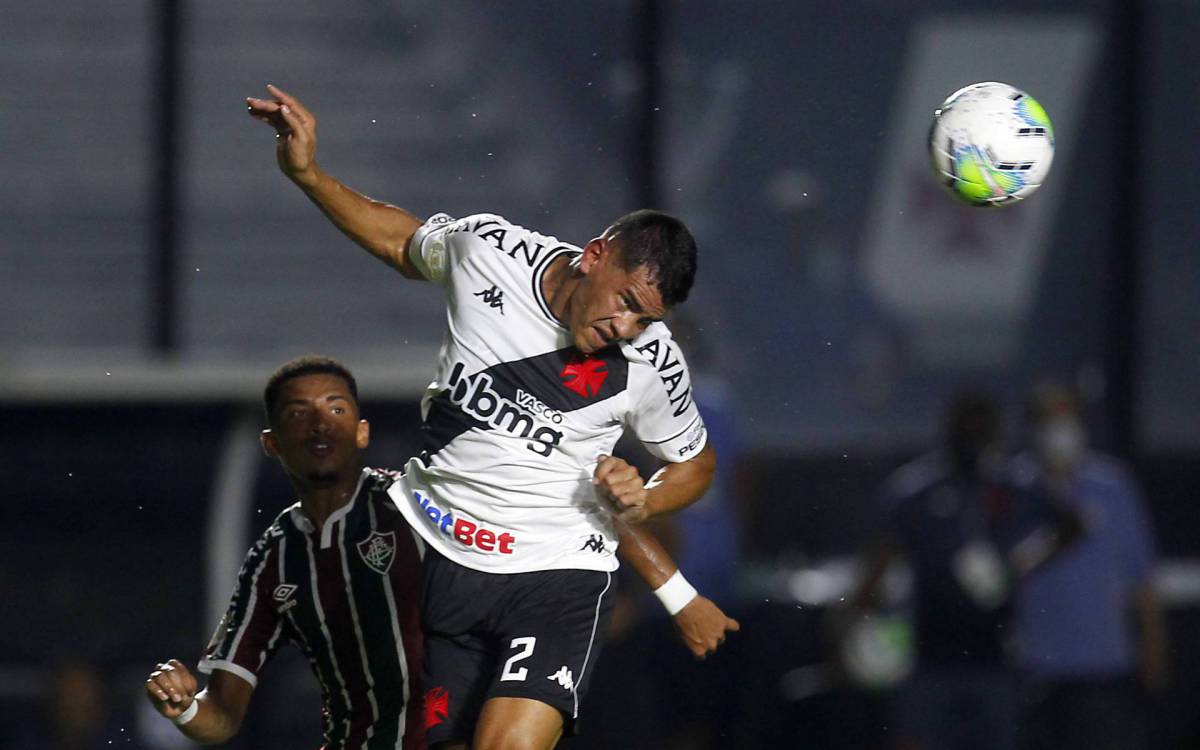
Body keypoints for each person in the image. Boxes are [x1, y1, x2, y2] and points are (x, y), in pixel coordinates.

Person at [246, 85, 737, 749]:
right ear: (594, 255)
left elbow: (695, 464)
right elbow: (400, 241)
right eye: (623, 299)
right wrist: (308, 175)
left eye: (644, 317)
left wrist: (645, 500)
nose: (626, 326)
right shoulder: (492, 253)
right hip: (433, 555)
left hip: (557, 574)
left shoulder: (653, 359)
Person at [145, 356, 732, 749]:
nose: (320, 424)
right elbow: (221, 716)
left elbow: (577, 507)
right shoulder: (274, 561)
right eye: (299, 415)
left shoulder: (415, 499)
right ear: (272, 443)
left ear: (363, 432)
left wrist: (677, 597)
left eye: (337, 408)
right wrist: (184, 709)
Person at [850, 390, 1079, 750]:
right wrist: (855, 619)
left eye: (981, 427)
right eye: (966, 426)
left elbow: (1072, 523)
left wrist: (1024, 562)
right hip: (930, 660)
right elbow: (879, 561)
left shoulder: (1014, 485)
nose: (973, 436)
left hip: (996, 659)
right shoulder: (917, 490)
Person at [1013, 381, 1168, 750]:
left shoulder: (1113, 486)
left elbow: (1141, 579)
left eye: (1067, 420)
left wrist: (1154, 648)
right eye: (1049, 422)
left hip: (1104, 669)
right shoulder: (1013, 487)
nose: (1059, 432)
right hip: (1036, 668)